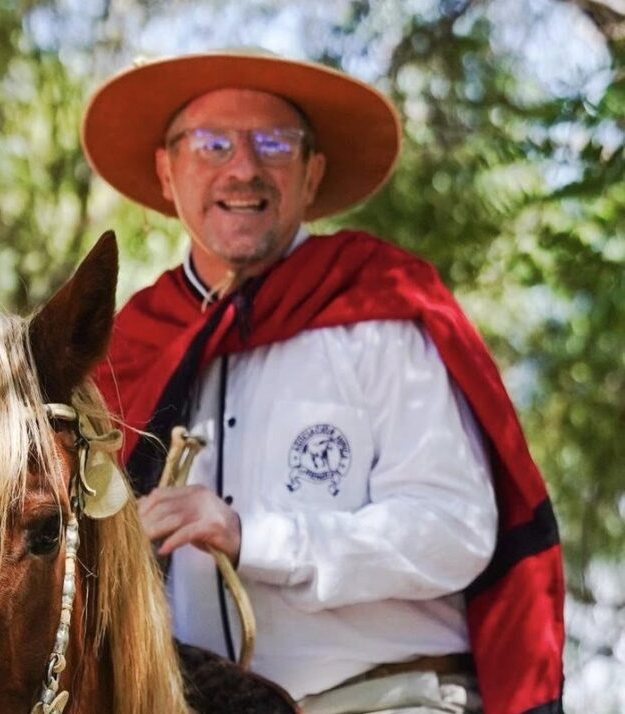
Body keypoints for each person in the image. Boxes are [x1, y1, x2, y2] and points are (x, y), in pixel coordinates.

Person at [81, 50, 565, 714]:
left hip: (389, 700)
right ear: (168, 172)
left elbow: (456, 530)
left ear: (312, 174)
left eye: (273, 143)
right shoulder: (129, 348)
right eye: (213, 142)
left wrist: (255, 537)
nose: (244, 166)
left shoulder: (376, 310)